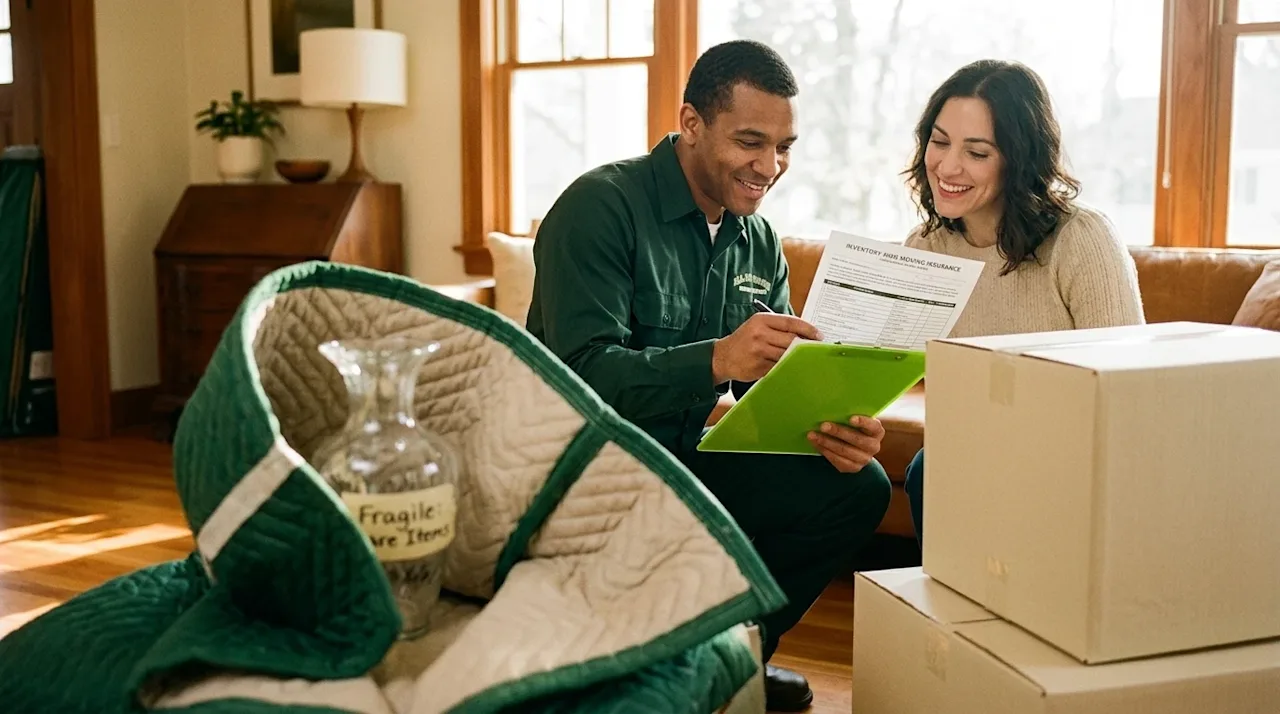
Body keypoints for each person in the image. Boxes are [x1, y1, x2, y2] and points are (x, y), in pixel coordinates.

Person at [526, 40, 891, 712]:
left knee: (856, 486)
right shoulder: (600, 207)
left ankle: (731, 656)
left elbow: (766, 387)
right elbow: (577, 374)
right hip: (583, 469)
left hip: (682, 459)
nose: (770, 166)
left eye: (784, 146)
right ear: (691, 124)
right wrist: (718, 358)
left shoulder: (757, 240)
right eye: (751, 141)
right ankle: (683, 663)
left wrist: (833, 425)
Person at [900, 59, 1145, 543]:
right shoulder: (925, 246)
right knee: (928, 469)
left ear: (1018, 158)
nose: (948, 167)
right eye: (940, 141)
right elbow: (901, 365)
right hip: (974, 441)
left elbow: (1129, 394)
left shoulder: (1081, 239)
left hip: (1072, 451)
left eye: (977, 152)